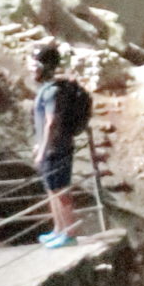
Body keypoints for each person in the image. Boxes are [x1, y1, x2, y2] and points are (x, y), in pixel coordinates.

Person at [30, 43, 90, 247]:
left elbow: (51, 122)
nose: (31, 67)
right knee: (52, 189)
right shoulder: (47, 89)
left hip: (57, 148)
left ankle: (70, 232)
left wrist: (43, 149)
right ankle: (58, 228)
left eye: (34, 63)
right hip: (52, 148)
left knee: (61, 191)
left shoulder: (52, 92)